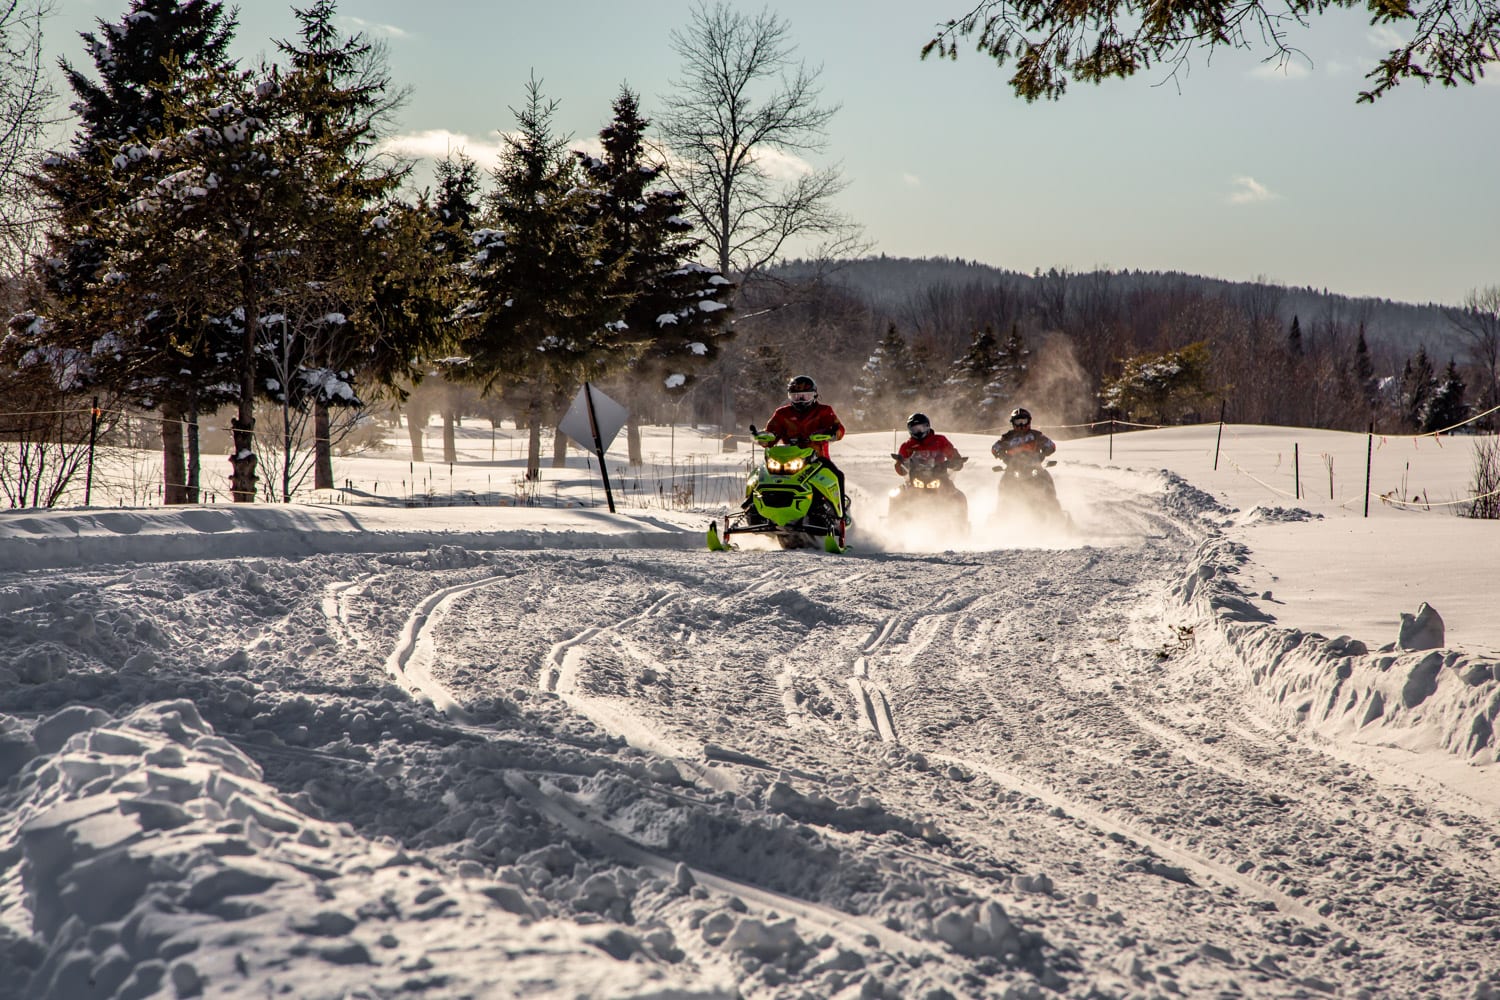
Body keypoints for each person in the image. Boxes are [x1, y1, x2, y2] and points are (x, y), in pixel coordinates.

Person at [757, 375, 850, 522]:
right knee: (759, 476)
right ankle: (752, 507)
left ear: (814, 395)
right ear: (789, 397)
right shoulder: (782, 413)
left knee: (838, 475)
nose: (800, 400)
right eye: (796, 396)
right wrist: (764, 438)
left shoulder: (824, 411)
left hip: (816, 458)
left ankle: (841, 515)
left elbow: (839, 429)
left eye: (805, 396)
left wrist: (831, 433)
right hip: (787, 458)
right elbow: (771, 432)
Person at [895, 413, 964, 476]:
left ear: (927, 427)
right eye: (915, 429)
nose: (919, 431)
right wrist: (899, 464)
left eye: (922, 428)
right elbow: (901, 464)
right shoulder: (907, 446)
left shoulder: (939, 440)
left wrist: (956, 460)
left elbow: (951, 452)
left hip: (940, 475)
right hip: (915, 477)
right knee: (901, 489)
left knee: (951, 488)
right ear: (910, 430)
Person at [990, 407, 1056, 465]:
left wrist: (1046, 450)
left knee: (1045, 477)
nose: (1021, 424)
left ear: (1029, 421)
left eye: (1024, 421)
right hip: (1012, 468)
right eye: (1018, 422)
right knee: (1004, 479)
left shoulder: (1036, 435)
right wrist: (1000, 453)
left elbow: (1051, 444)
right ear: (1013, 423)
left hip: (1035, 466)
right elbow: (995, 447)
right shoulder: (1008, 436)